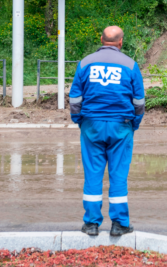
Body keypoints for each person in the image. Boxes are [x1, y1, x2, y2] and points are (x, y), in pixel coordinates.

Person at [69, 26, 145, 237]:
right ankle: (119, 224)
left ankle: (91, 224)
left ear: (102, 40)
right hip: (121, 126)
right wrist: (134, 124)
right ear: (121, 42)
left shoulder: (85, 63)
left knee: (93, 174)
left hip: (91, 125)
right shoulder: (130, 65)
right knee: (118, 175)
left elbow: (75, 98)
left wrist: (79, 120)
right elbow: (139, 102)